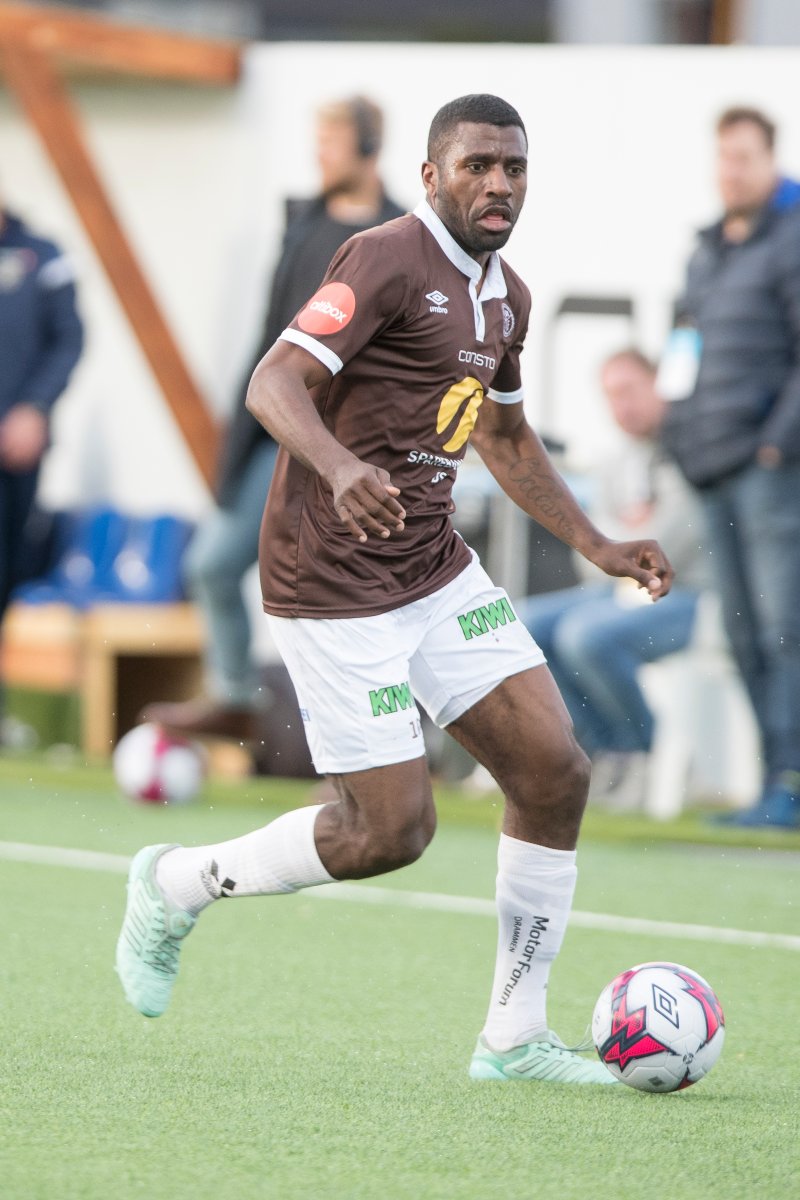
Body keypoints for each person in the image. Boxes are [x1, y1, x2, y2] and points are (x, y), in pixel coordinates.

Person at [117, 94, 672, 1085]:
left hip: (429, 565)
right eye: (474, 166)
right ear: (429, 175)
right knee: (387, 833)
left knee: (554, 772)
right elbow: (272, 384)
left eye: (512, 167)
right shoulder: (381, 258)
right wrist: (336, 467)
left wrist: (596, 542)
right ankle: (175, 884)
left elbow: (500, 436)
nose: (496, 184)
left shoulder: (507, 297)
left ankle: (512, 1039)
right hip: (329, 579)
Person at [141, 97, 405, 740]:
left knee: (352, 599)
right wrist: (235, 448)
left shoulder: (401, 237)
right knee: (211, 564)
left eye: (332, 140)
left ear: (369, 147)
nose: (319, 154)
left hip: (355, 448)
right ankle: (236, 696)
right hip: (280, 435)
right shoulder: (301, 224)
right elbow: (271, 342)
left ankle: (383, 742)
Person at [662, 106, 800, 830]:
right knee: (746, 630)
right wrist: (677, 436)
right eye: (723, 158)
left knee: (787, 626)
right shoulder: (707, 249)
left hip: (771, 470)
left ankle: (792, 781)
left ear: (770, 160)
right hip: (710, 469)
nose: (731, 171)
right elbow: (681, 349)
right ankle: (776, 781)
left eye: (743, 158)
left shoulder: (793, 234)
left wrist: (777, 443)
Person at [513, 349, 710, 810]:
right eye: (610, 396)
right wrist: (633, 533)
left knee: (586, 635)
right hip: (616, 592)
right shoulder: (614, 459)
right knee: (519, 627)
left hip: (688, 596)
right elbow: (590, 555)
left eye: (629, 391)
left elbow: (672, 549)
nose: (622, 406)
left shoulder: (690, 448)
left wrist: (622, 536)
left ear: (658, 385)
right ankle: (602, 752)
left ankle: (646, 753)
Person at [0, 202, 83, 731]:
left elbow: (70, 339)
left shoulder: (43, 256)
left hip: (15, 453)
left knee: (7, 572)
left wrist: (35, 406)